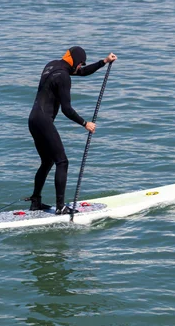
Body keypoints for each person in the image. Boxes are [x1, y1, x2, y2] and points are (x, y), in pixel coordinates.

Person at [28, 46, 117, 214]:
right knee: (62, 162)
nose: (80, 67)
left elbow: (82, 73)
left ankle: (35, 202)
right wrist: (85, 123)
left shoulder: (52, 65)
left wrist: (104, 62)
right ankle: (61, 207)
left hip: (33, 120)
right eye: (80, 64)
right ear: (75, 61)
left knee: (47, 162)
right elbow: (66, 109)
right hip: (44, 121)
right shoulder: (63, 77)